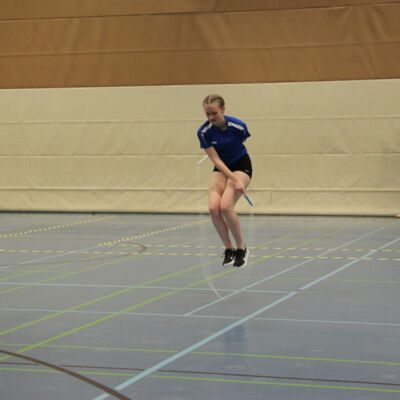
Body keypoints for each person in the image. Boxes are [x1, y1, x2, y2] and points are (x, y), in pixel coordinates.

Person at [197, 94, 253, 268]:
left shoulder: (238, 126)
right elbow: (216, 160)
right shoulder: (203, 132)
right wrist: (233, 178)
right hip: (222, 167)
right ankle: (229, 249)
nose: (211, 117)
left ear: (223, 109)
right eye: (207, 114)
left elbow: (242, 140)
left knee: (226, 206)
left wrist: (237, 178)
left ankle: (241, 248)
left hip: (241, 164)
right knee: (213, 208)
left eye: (214, 113)